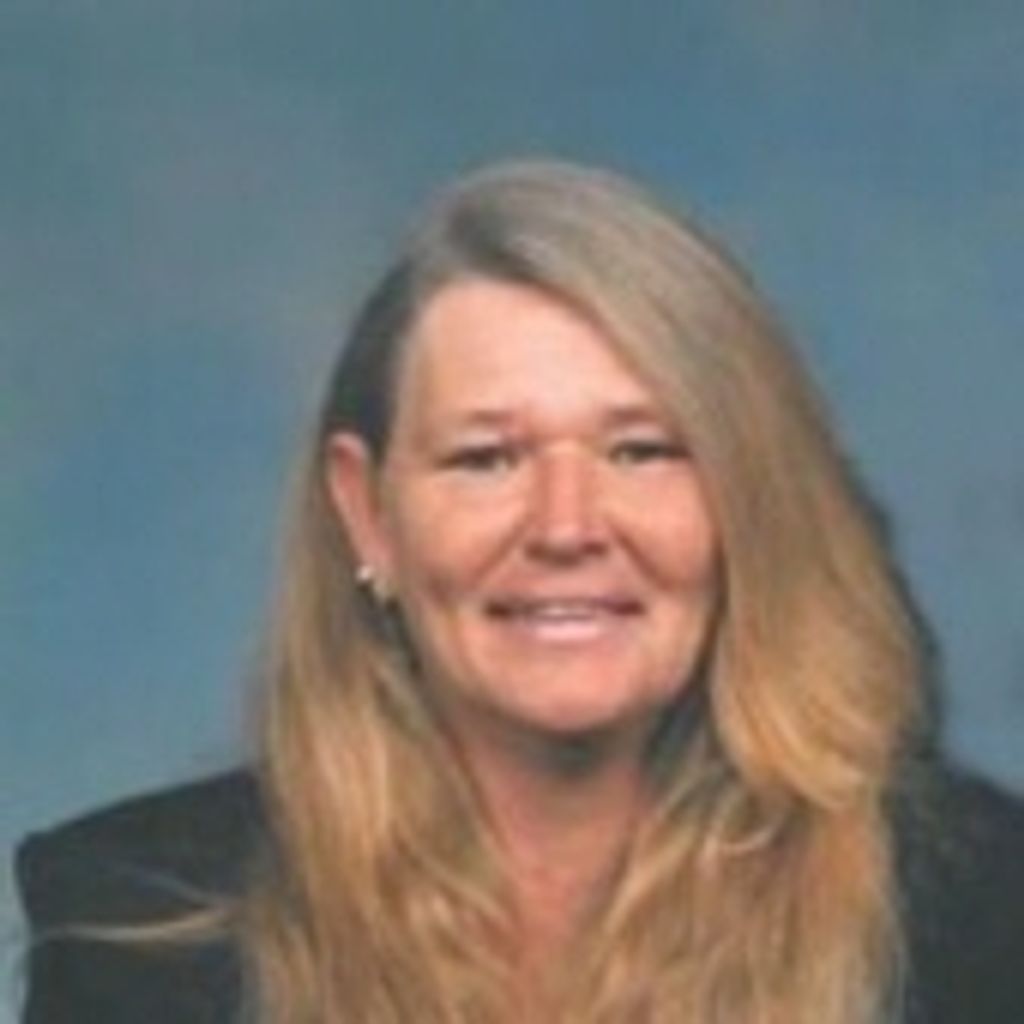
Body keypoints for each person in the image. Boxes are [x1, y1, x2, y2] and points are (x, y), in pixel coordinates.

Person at [17, 160, 1024, 1024]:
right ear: (368, 513)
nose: (566, 525)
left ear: (745, 501)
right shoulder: (131, 927)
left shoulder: (975, 913)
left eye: (641, 450)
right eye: (487, 458)